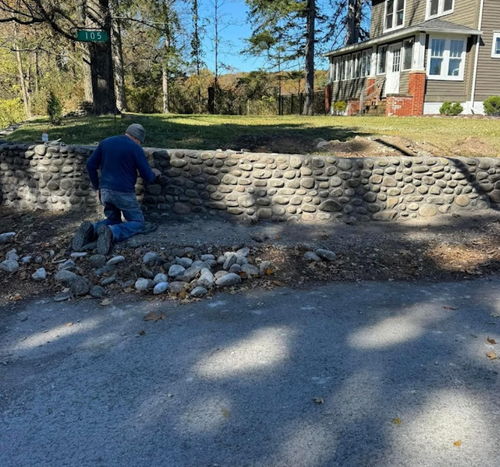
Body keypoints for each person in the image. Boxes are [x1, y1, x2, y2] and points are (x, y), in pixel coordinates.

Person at [72, 123, 161, 255]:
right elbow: (147, 176)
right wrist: (155, 173)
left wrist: (97, 187)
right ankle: (112, 233)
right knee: (138, 223)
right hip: (123, 192)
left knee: (113, 220)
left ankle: (92, 228)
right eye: (140, 142)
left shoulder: (106, 142)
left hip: (105, 191)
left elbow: (90, 164)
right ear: (137, 139)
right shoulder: (135, 148)